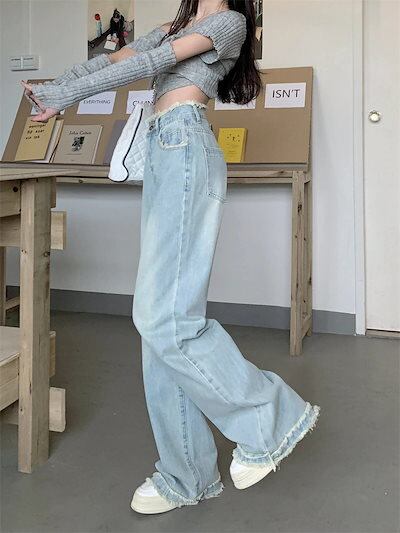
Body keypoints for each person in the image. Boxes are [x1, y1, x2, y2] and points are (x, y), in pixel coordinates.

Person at [21, 0, 321, 516]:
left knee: (166, 317)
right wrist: (56, 85)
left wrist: (62, 95)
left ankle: (269, 418)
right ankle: (187, 474)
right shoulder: (174, 25)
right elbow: (115, 59)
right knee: (158, 322)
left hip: (185, 144)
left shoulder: (229, 23)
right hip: (162, 147)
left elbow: (150, 64)